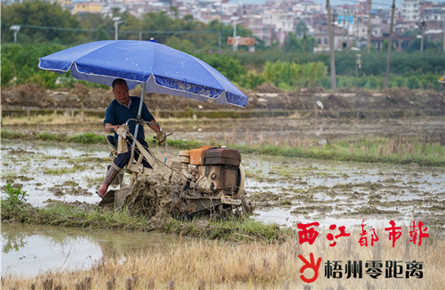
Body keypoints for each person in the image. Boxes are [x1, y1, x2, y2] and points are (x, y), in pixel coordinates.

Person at [97, 78, 165, 198]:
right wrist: (115, 128)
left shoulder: (138, 103)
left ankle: (158, 189)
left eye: (124, 91)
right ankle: (105, 185)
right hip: (122, 140)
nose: (122, 95)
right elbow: (107, 126)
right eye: (118, 93)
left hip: (138, 140)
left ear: (128, 90)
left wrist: (159, 133)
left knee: (150, 161)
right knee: (126, 152)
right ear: (113, 92)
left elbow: (149, 120)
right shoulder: (112, 107)